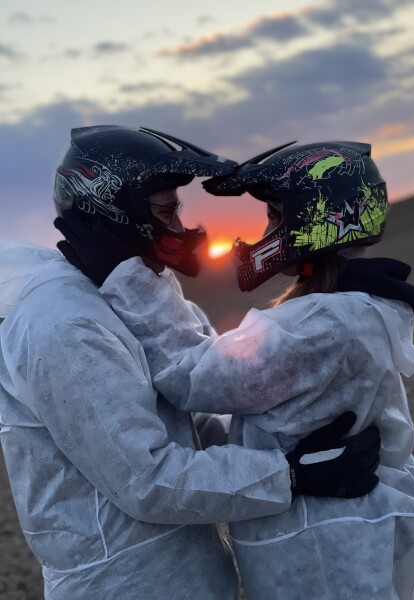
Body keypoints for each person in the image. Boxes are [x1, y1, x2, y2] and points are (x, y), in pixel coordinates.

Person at [0, 126, 381, 600]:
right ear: (117, 211)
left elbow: (190, 420)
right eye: (166, 211)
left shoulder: (130, 295)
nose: (180, 228)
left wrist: (288, 439)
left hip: (184, 572)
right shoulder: (64, 326)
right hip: (126, 586)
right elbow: (146, 480)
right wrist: (289, 474)